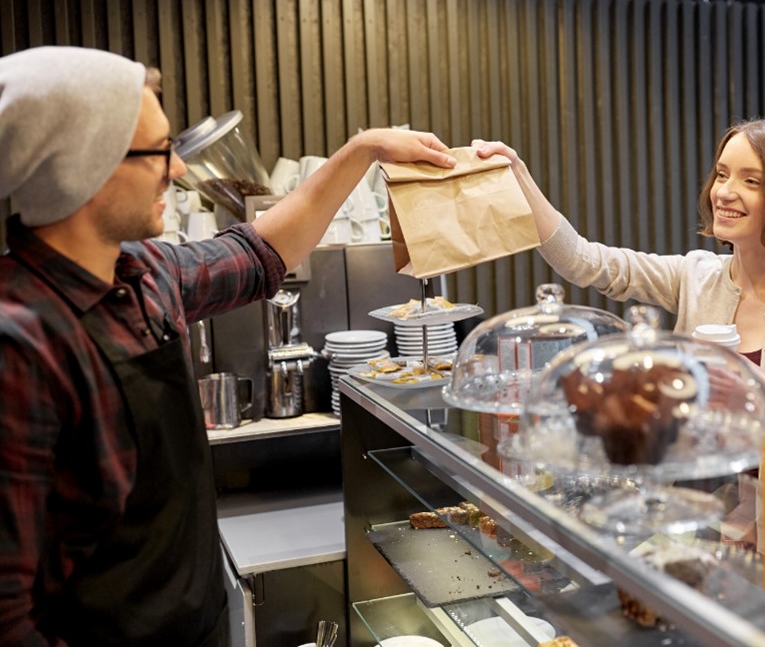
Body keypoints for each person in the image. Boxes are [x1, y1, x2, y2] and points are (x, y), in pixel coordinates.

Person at [0, 45, 456, 646]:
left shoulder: (145, 274)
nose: (178, 170)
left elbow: (261, 251)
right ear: (85, 168)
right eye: (158, 151)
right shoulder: (20, 342)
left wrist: (363, 150)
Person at [472, 118, 765, 416]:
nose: (724, 192)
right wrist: (518, 175)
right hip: (698, 513)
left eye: (751, 181)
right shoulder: (696, 275)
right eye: (721, 174)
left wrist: (758, 394)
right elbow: (585, 261)